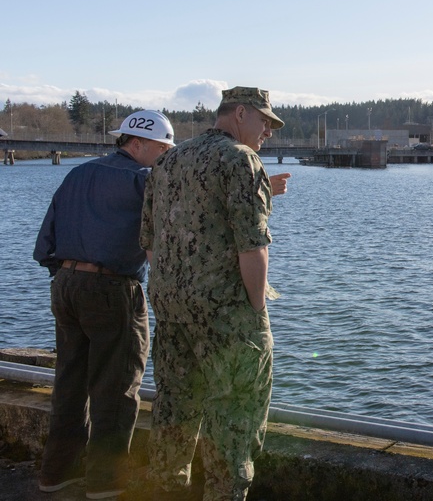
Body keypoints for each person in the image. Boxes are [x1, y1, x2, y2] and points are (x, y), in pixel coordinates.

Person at [140, 87, 287, 501]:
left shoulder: (168, 160)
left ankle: (165, 490)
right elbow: (252, 246)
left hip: (171, 312)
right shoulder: (241, 159)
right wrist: (256, 313)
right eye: (265, 123)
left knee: (174, 409)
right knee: (236, 415)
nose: (269, 133)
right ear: (240, 114)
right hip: (227, 318)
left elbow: (151, 243)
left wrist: (176, 290)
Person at [33, 110, 176, 499]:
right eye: (163, 149)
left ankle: (55, 474)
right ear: (138, 143)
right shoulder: (144, 181)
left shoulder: (77, 174)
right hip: (113, 287)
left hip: (64, 283)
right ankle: (105, 483)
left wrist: (69, 275)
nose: (164, 157)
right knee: (116, 386)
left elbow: (44, 241)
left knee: (69, 381)